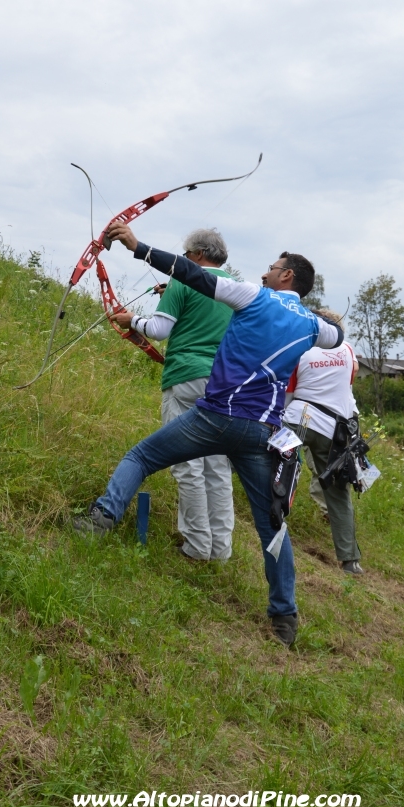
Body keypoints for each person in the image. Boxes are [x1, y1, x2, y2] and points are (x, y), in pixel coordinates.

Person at [73, 226, 343, 646]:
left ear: (287, 277)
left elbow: (190, 273)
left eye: (273, 267)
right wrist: (318, 316)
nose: (266, 271)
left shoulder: (253, 294)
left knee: (141, 458)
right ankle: (284, 618)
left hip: (214, 417)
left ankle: (101, 520)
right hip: (261, 434)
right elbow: (337, 336)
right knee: (272, 528)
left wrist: (136, 247)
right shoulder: (312, 326)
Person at [112, 228, 235, 562]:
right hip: (224, 385)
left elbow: (159, 330)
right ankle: (220, 553)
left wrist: (129, 319)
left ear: (195, 255)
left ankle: (196, 548)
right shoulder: (235, 288)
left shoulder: (183, 281)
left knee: (187, 464)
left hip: (186, 379)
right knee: (218, 468)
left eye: (185, 255)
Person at [283, 310, 364, 574]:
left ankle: (270, 517)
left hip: (300, 418)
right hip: (334, 431)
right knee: (338, 494)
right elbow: (348, 384)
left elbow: (289, 393)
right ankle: (350, 560)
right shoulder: (348, 350)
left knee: (269, 460)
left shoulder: (300, 349)